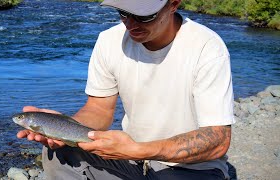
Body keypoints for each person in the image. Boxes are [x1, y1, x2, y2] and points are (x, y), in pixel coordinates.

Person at [17, 0, 235, 179]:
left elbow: (218, 140)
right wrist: (65, 127)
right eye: (123, 12)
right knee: (59, 152)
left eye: (143, 16)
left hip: (191, 168)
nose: (131, 23)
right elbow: (99, 110)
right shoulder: (108, 41)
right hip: (132, 161)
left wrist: (139, 149)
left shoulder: (207, 48)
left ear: (173, 4)